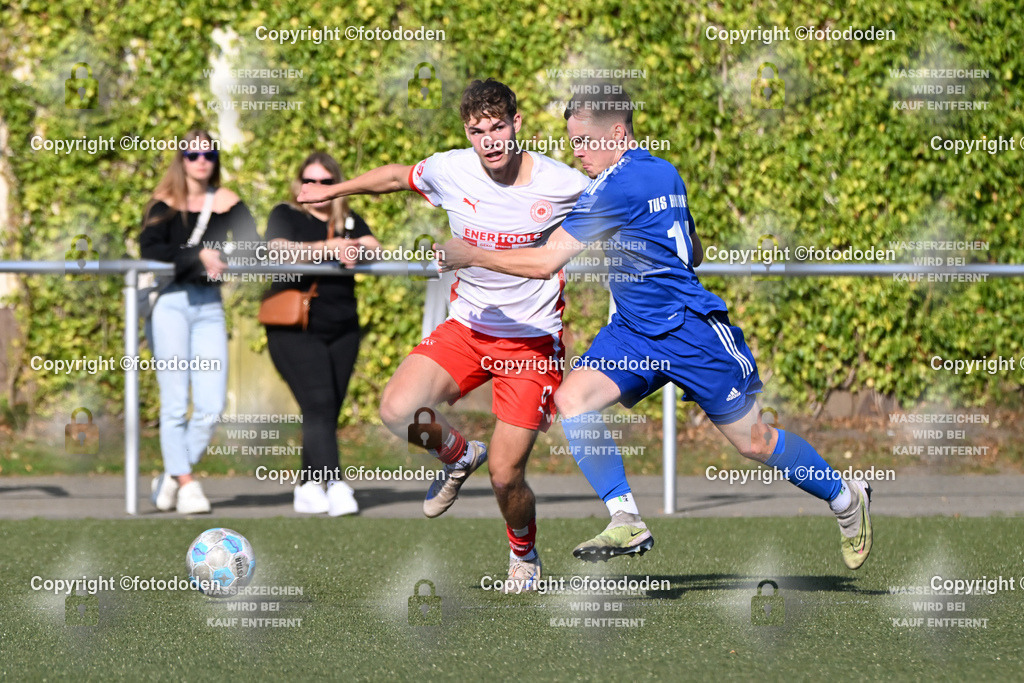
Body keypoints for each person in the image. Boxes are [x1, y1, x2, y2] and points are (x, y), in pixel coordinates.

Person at [439, 84, 873, 570]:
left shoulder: (614, 187)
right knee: (572, 398)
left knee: (756, 442)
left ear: (617, 133)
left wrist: (471, 254)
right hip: (634, 333)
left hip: (691, 333)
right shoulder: (661, 170)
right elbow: (695, 249)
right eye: (572, 140)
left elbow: (545, 264)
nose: (576, 150)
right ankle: (626, 518)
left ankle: (845, 496)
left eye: (584, 140)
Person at [299, 78, 589, 590]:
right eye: (478, 131)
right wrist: (333, 190)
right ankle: (458, 456)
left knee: (505, 477)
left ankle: (524, 554)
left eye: (498, 127)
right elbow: (393, 177)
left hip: (530, 342)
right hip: (469, 328)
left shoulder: (563, 184)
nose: (490, 140)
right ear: (467, 132)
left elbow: (617, 212)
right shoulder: (450, 168)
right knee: (395, 410)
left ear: (517, 125)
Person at [140, 130, 260, 514]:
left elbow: (251, 243)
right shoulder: (163, 203)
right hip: (171, 303)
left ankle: (173, 474)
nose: (201, 159)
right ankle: (188, 483)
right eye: (192, 153)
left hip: (209, 304)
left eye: (208, 152)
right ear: (182, 158)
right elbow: (150, 249)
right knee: (175, 402)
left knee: (211, 405)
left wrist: (221, 252)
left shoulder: (228, 202)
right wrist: (197, 256)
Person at [263, 152, 380, 516]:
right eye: (309, 181)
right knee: (318, 402)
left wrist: (356, 248)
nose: (317, 188)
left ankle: (309, 484)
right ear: (299, 185)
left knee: (328, 409)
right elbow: (277, 251)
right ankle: (336, 483)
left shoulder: (347, 220)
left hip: (342, 326)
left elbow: (374, 246)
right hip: (294, 328)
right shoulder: (286, 215)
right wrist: (330, 248)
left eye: (327, 182)